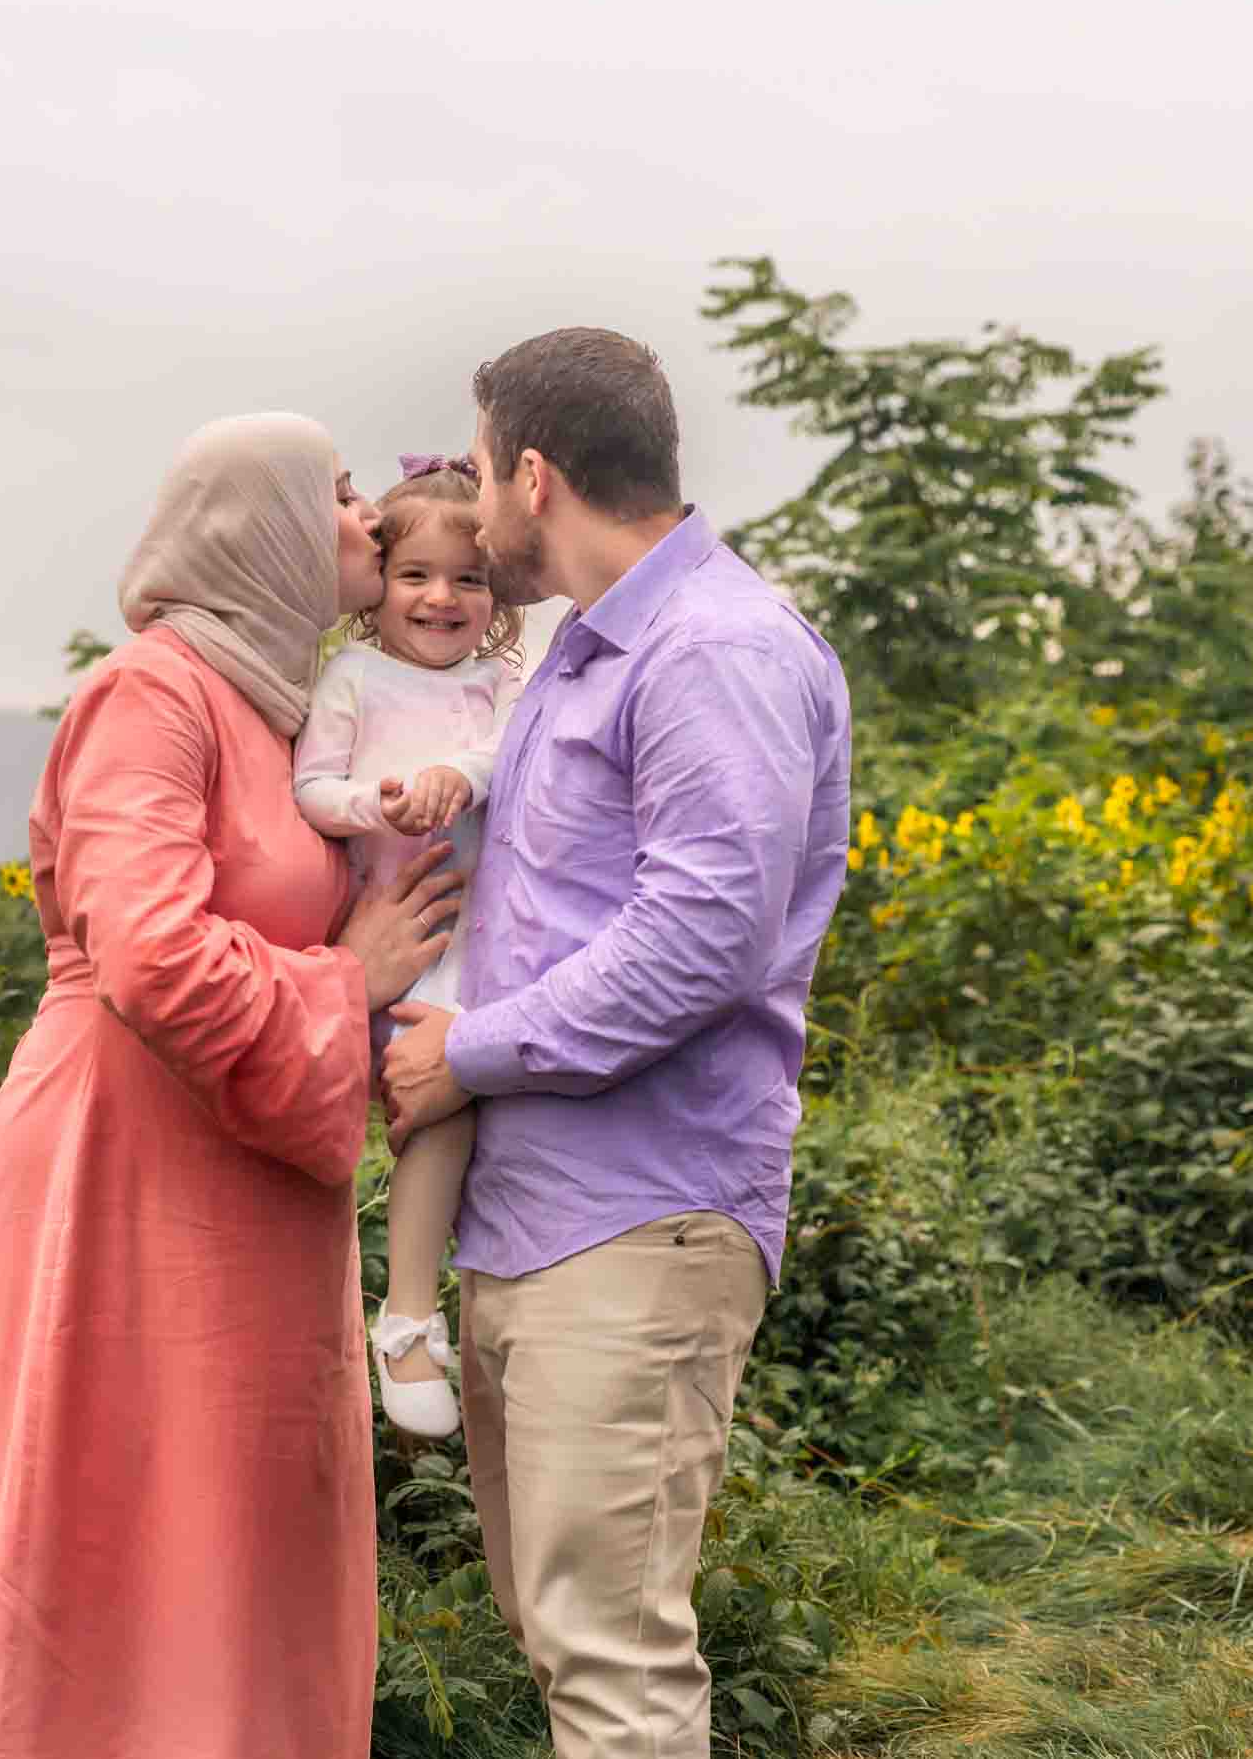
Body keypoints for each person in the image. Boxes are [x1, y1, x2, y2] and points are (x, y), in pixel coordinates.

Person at [380, 328, 852, 1759]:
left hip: (640, 1218)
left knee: (611, 1659)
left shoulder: (715, 648)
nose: (474, 510)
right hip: (536, 1225)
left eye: (479, 474)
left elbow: (702, 938)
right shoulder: (584, 656)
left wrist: (466, 1052)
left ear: (533, 475)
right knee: (563, 1635)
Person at [0, 412, 465, 1759]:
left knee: (251, 1539)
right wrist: (345, 984)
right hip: (123, 1166)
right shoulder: (153, 692)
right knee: (130, 1533)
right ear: (265, 528)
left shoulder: (279, 708)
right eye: (342, 494)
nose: (372, 517)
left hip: (252, 1170)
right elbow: (147, 954)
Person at [291, 452, 523, 1438]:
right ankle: (396, 1318)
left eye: (468, 579)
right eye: (416, 575)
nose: (442, 598)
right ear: (377, 584)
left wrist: (458, 777)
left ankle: (421, 1311)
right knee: (409, 1111)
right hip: (385, 931)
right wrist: (376, 804)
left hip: (476, 939)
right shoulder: (352, 676)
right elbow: (311, 789)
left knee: (454, 1108)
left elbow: (509, 758)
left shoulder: (499, 684)